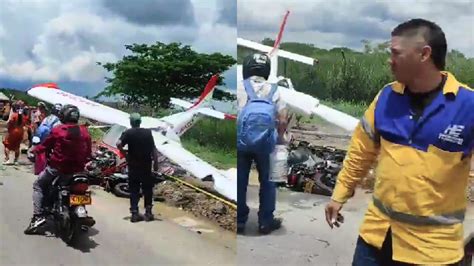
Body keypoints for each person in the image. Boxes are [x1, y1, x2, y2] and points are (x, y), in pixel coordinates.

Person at [325, 18, 473, 265]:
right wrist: (338, 195)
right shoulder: (387, 97)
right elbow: (360, 152)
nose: (389, 59)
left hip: (434, 251)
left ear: (424, 54)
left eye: (396, 53)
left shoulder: (467, 106)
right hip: (376, 238)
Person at [236, 53, 289, 235]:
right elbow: (282, 120)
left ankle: (239, 221)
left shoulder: (240, 88)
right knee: (268, 182)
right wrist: (281, 140)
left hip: (241, 143)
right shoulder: (274, 90)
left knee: (240, 182)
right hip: (267, 144)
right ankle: (265, 221)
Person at [24, 104, 92, 234]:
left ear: (63, 116)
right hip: (78, 169)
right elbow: (88, 151)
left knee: (38, 185)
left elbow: (45, 145)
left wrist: (34, 150)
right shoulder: (84, 131)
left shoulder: (58, 130)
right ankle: (81, 212)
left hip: (57, 167)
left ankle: (37, 217)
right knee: (79, 190)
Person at [117, 113, 159, 223]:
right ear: (140, 122)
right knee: (147, 189)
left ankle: (135, 213)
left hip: (133, 165)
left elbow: (118, 144)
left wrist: (125, 155)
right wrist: (156, 163)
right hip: (146, 165)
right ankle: (148, 213)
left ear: (131, 122)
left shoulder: (128, 133)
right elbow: (153, 149)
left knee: (134, 189)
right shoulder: (147, 133)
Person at [2, 100, 27, 164]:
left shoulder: (14, 115)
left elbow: (9, 124)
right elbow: (24, 124)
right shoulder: (23, 116)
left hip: (13, 132)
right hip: (20, 132)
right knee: (17, 146)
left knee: (7, 145)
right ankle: (16, 160)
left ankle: (7, 159)